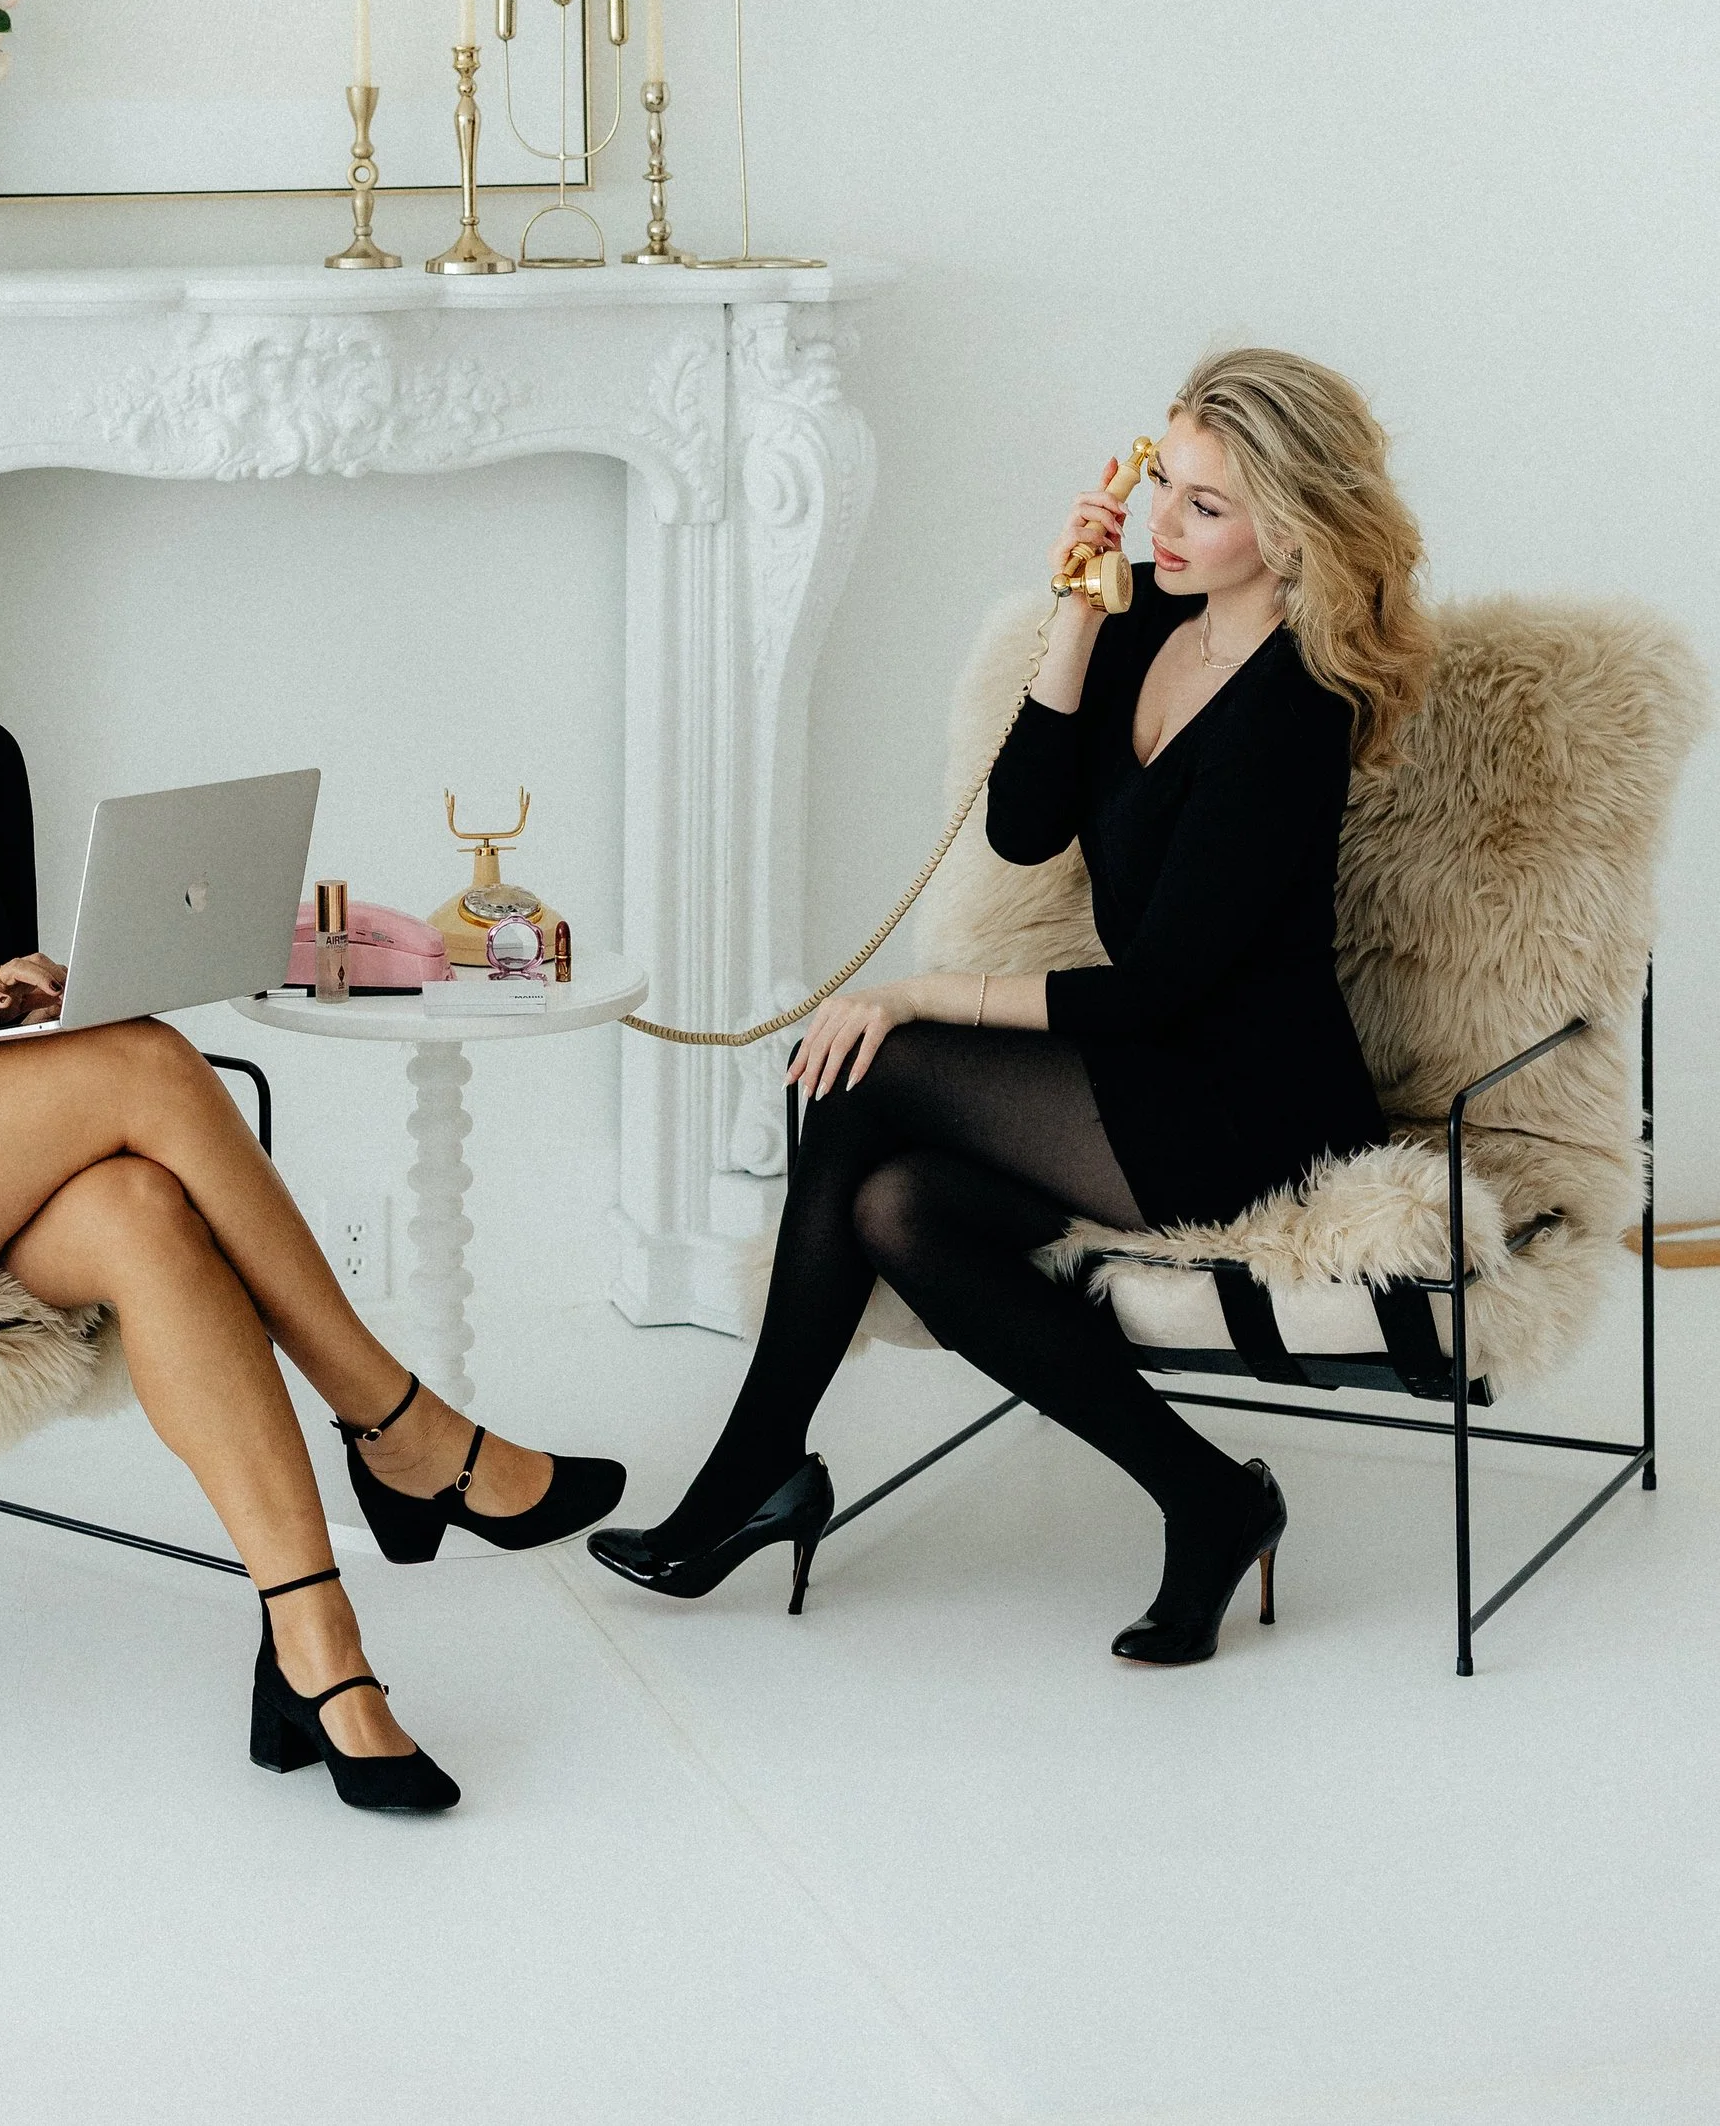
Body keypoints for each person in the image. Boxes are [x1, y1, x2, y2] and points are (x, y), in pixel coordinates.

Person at [0, 463, 625, 1814]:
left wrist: (26, 1007)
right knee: (144, 1064)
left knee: (145, 1205)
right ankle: (400, 1426)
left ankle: (319, 1650)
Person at [590, 346, 1435, 1665]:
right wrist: (1081, 615)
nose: (1166, 520)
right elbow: (1027, 821)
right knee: (895, 1204)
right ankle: (1208, 1494)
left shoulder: (1296, 707)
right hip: (1136, 1076)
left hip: (1245, 1098)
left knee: (864, 1065)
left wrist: (927, 989)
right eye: (1166, 481)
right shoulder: (1156, 615)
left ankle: (756, 1470)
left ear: (1295, 525)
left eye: (1206, 505)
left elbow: (1162, 982)